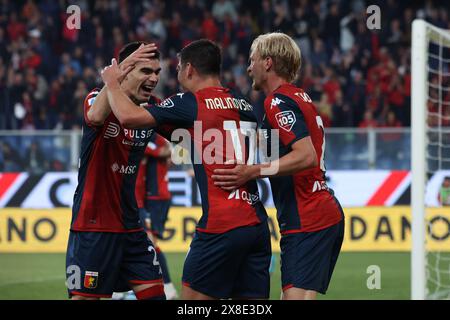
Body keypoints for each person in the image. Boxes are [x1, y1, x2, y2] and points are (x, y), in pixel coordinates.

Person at [101, 39, 271, 300]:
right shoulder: (242, 103)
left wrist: (112, 82)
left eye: (179, 67)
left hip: (221, 225)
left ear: (189, 69)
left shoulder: (191, 102)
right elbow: (189, 134)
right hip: (257, 225)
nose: (176, 72)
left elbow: (128, 117)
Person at [212, 32, 345, 300]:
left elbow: (305, 155)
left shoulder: (277, 101)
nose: (249, 67)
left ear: (268, 63)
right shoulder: (300, 97)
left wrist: (251, 171)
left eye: (253, 60)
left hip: (307, 217)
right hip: (319, 213)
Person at [66, 42, 166, 300]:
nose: (154, 78)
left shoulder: (152, 108)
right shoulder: (97, 97)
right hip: (93, 226)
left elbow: (186, 130)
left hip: (131, 226)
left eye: (157, 72)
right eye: (146, 71)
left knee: (156, 294)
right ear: (125, 71)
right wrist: (114, 80)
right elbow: (96, 117)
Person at [139, 133, 178, 299]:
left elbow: (166, 152)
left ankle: (168, 287)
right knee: (144, 242)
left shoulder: (152, 139)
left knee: (150, 243)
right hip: (149, 198)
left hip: (157, 198)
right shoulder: (150, 139)